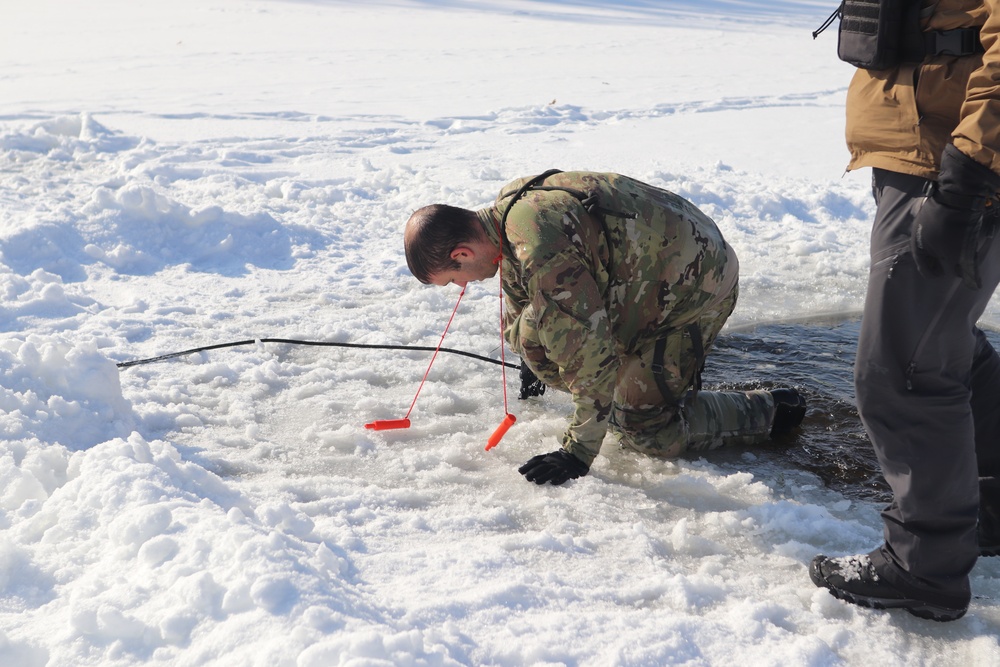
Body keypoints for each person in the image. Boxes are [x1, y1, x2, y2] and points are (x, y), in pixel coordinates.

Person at [403, 170, 807, 486]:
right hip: (644, 276)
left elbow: (589, 360)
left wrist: (577, 452)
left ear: (462, 253)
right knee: (541, 342)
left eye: (453, 279)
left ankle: (769, 409)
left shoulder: (541, 248)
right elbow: (526, 292)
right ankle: (638, 385)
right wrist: (531, 354)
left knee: (643, 429)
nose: (462, 286)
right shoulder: (507, 214)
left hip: (696, 288)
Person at [810, 0, 1000, 622]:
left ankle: (925, 569)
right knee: (940, 343)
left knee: (902, 370)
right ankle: (988, 504)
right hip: (918, 148)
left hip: (954, 160)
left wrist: (967, 175)